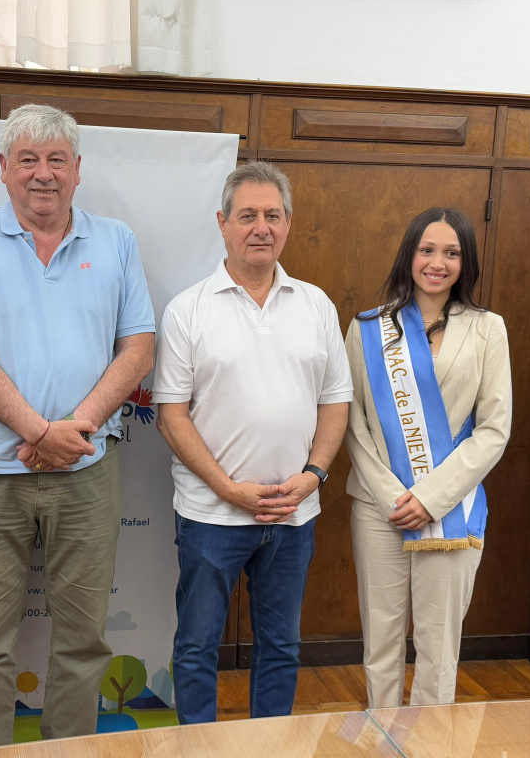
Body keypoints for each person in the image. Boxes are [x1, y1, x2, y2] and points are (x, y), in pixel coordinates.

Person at [0, 104, 155, 748]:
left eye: (57, 159)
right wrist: (39, 431)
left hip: (86, 468)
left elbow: (138, 349)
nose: (43, 173)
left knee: (84, 640)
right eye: (28, 159)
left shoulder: (116, 240)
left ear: (77, 170)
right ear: (4, 168)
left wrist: (73, 432)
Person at [153, 161, 353, 724]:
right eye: (247, 216)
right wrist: (227, 488)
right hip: (210, 514)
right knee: (197, 647)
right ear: (223, 224)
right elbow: (170, 416)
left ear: (288, 223)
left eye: (272, 215)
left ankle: (270, 746)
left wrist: (313, 475)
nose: (260, 227)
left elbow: (335, 401)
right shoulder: (188, 309)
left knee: (281, 646)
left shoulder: (316, 305)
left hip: (294, 513)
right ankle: (199, 750)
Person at [344, 207, 511, 709]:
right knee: (381, 642)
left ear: (466, 262)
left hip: (450, 510)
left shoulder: (487, 329)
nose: (438, 263)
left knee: (439, 651)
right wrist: (395, 497)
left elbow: (494, 429)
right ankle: (383, 733)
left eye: (452, 253)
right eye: (427, 250)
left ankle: (429, 743)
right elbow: (352, 422)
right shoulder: (367, 328)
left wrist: (430, 498)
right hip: (379, 508)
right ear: (409, 254)